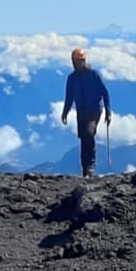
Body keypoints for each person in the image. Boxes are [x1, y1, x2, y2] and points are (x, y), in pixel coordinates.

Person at [59, 47, 111, 177]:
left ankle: (91, 167)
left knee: (89, 133)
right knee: (83, 138)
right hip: (81, 112)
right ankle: (85, 170)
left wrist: (108, 112)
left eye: (81, 61)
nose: (79, 63)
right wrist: (65, 112)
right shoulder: (72, 78)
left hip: (94, 110)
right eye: (77, 61)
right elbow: (69, 97)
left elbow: (105, 92)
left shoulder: (94, 74)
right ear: (73, 62)